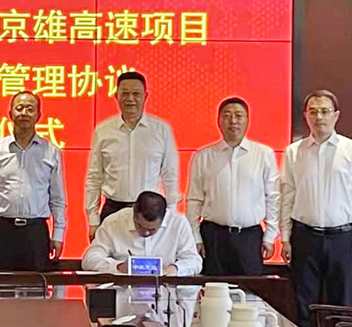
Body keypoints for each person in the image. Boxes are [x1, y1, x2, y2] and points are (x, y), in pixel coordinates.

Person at [281, 90, 352, 327]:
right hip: (305, 237)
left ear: (336, 115)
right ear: (305, 116)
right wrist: (285, 239)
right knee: (304, 305)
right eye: (313, 112)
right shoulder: (294, 152)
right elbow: (287, 197)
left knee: (340, 306)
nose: (319, 117)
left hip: (342, 238)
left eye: (324, 111)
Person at [186, 97, 280, 276]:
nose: (233, 121)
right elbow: (194, 200)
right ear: (218, 120)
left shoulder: (264, 154)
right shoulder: (204, 156)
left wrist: (270, 236)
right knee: (213, 288)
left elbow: (273, 198)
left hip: (249, 237)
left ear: (248, 120)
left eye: (238, 115)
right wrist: (195, 237)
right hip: (213, 236)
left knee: (250, 289)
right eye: (227, 115)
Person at [0, 91, 67, 271]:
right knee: (0, 287)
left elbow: (57, 199)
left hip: (36, 232)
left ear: (38, 115)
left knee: (36, 286)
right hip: (3, 231)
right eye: (19, 108)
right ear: (10, 114)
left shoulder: (51, 152)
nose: (24, 113)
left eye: (30, 109)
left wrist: (58, 234)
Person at [85, 71, 180, 241]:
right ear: (116, 96)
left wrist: (171, 215)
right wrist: (93, 219)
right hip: (113, 209)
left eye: (136, 94)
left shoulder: (161, 130)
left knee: (149, 258)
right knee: (111, 257)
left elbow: (170, 176)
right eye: (125, 94)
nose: (130, 99)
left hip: (150, 212)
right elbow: (94, 177)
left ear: (145, 96)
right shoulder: (103, 130)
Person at [82, 191, 202, 275]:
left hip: (167, 295)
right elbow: (89, 259)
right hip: (122, 295)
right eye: (140, 226)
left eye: (152, 230)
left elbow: (194, 261)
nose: (145, 233)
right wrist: (117, 267)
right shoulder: (114, 222)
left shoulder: (178, 223)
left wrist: (175, 269)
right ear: (133, 213)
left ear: (164, 217)